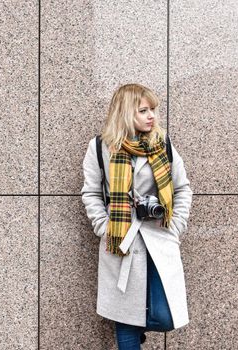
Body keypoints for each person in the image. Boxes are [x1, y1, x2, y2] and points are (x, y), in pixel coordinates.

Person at [80, 83, 193, 349]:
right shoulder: (100, 147)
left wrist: (175, 226)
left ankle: (137, 321)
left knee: (164, 317)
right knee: (125, 326)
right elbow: (91, 193)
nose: (151, 116)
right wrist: (104, 227)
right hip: (121, 242)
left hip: (158, 238)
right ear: (126, 112)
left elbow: (182, 187)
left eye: (152, 109)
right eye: (143, 110)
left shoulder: (161, 144)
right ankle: (130, 326)